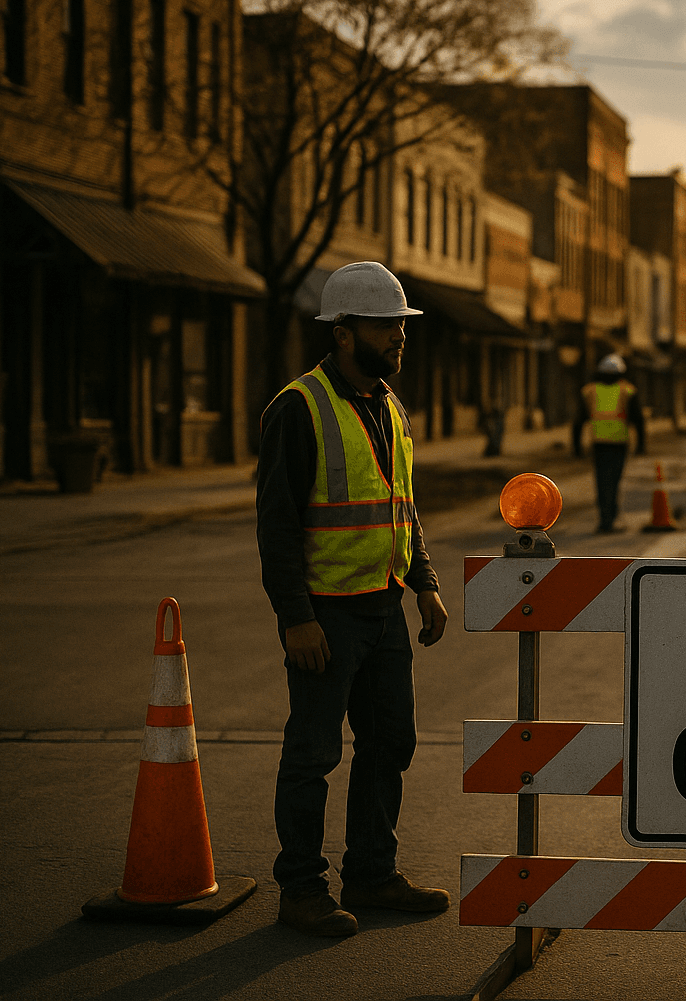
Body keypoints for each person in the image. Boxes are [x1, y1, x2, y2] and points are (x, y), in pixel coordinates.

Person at [256, 261, 450, 937]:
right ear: (343, 333)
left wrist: (423, 582)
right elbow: (278, 528)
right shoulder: (300, 407)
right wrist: (297, 619)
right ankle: (301, 889)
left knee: (390, 743)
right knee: (313, 753)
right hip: (327, 616)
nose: (399, 336)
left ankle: (371, 872)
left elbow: (402, 505)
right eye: (385, 324)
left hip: (384, 607)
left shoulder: (387, 405)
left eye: (401, 325)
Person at [572, 354, 647, 533]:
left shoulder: (590, 390)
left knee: (602, 482)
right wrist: (641, 445)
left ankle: (606, 518)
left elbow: (578, 421)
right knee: (614, 482)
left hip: (599, 444)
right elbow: (639, 420)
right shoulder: (627, 390)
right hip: (619, 443)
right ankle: (610, 519)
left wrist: (576, 447)